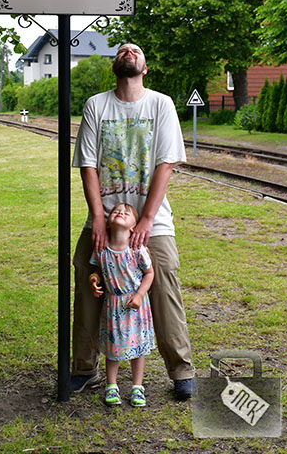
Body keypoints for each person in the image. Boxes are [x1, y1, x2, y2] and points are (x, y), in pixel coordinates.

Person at [71, 43, 194, 401]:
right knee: (85, 271)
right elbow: (88, 165)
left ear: (144, 67)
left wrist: (148, 219)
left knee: (164, 277)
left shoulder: (160, 104)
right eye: (122, 49)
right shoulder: (97, 105)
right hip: (107, 219)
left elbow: (166, 164)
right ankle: (84, 369)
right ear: (115, 66)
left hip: (151, 220)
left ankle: (181, 370)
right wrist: (98, 218)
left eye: (134, 49)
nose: (128, 50)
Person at [89, 202, 155, 406]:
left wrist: (140, 295)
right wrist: (93, 280)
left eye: (127, 213)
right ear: (108, 223)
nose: (121, 212)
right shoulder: (102, 250)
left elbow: (149, 273)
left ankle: (137, 387)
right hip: (113, 305)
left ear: (134, 227)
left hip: (135, 305)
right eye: (116, 211)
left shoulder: (137, 249)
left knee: (138, 348)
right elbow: (98, 271)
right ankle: (111, 385)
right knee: (113, 347)